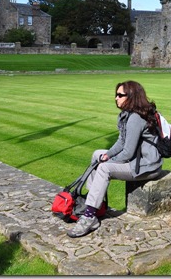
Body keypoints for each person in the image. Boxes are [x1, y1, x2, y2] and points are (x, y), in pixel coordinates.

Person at [68, 80, 163, 238]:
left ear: (131, 96)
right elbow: (121, 142)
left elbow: (128, 152)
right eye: (116, 95)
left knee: (104, 168)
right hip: (137, 160)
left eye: (120, 95)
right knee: (97, 154)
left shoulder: (135, 118)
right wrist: (107, 155)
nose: (116, 98)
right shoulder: (127, 115)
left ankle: (89, 217)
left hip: (146, 166)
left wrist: (107, 162)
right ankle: (95, 206)